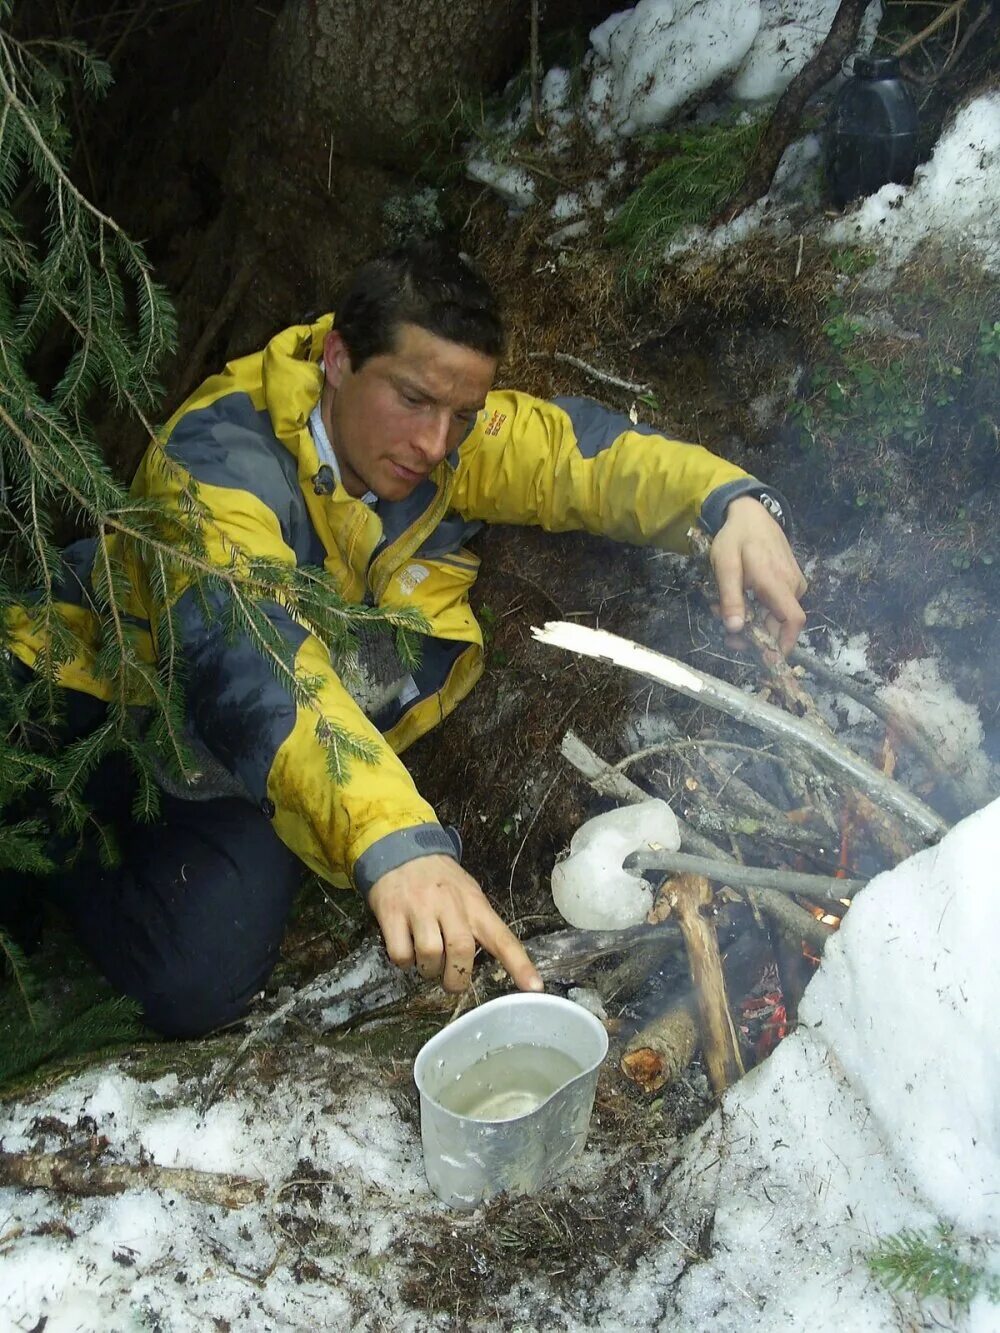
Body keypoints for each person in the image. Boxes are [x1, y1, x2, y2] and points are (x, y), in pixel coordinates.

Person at [5, 240, 806, 1036]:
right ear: (339, 359)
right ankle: (41, 842)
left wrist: (730, 503)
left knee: (198, 979)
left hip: (233, 769)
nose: (435, 443)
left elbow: (579, 457)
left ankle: (77, 859)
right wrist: (396, 838)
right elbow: (247, 662)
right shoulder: (217, 455)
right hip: (91, 689)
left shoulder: (451, 447)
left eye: (462, 414)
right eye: (415, 401)